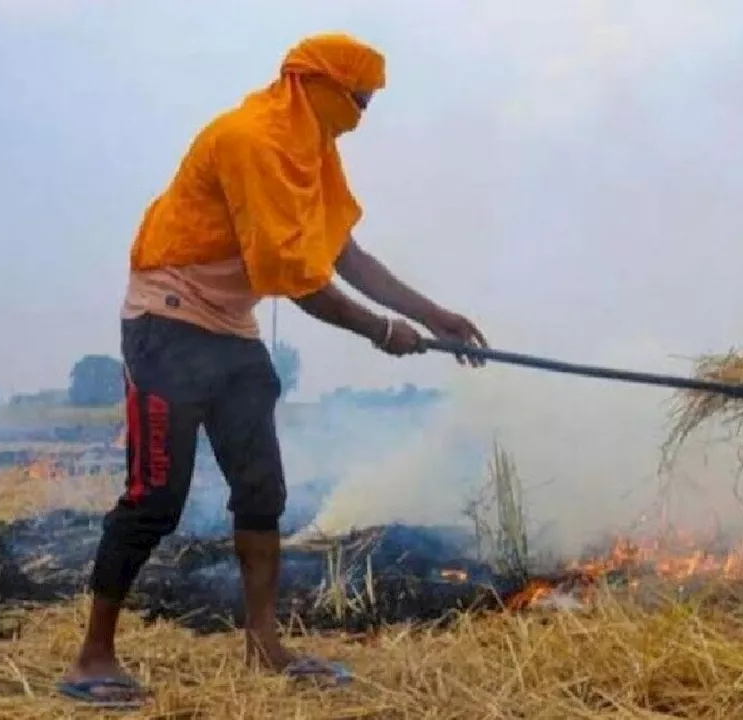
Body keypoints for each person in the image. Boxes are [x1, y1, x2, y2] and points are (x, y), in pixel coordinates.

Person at [57, 32, 488, 708]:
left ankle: (264, 645)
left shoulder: (313, 151)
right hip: (166, 320)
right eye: (358, 100)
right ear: (316, 85)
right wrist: (380, 331)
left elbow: (343, 252)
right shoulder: (252, 139)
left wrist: (435, 317)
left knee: (263, 492)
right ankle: (93, 655)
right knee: (155, 499)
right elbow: (293, 276)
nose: (362, 116)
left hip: (230, 328)